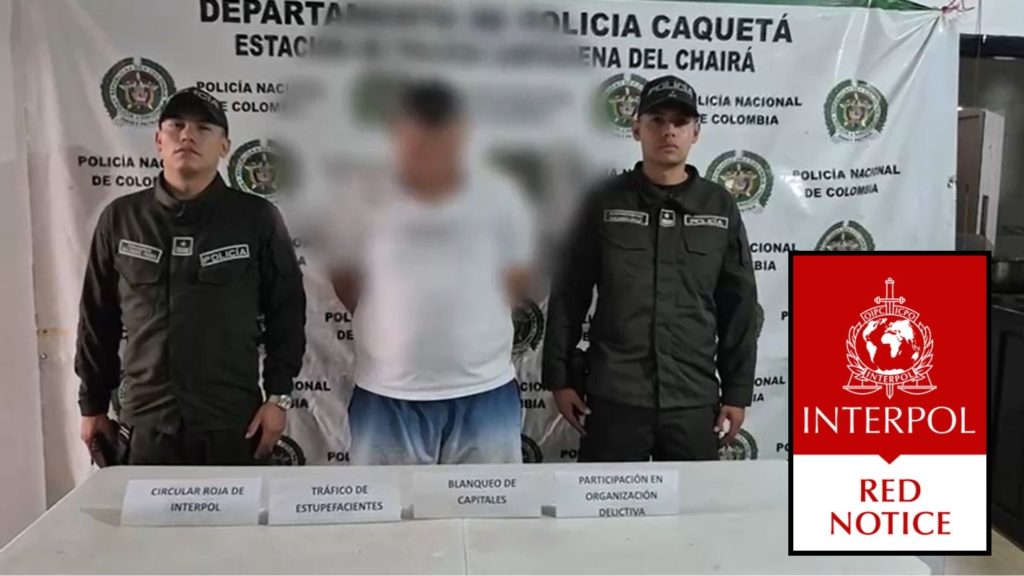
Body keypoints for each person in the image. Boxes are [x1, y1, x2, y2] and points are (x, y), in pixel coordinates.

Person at [75, 87, 307, 465]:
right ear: (158, 140)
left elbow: (287, 312)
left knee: (235, 510)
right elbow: (96, 319)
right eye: (176, 125)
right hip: (147, 424)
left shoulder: (256, 218)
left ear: (224, 146)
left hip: (233, 425)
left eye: (203, 128)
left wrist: (278, 397)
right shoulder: (120, 219)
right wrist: (93, 404)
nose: (187, 136)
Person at [543, 75, 759, 462]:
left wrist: (737, 391)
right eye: (657, 120)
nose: (668, 131)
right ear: (636, 128)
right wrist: (560, 378)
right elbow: (570, 292)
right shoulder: (605, 201)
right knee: (604, 501)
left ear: (696, 132)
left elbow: (739, 306)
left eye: (680, 122)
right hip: (615, 398)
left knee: (695, 502)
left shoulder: (718, 206)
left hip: (693, 400)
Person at [331, 79, 534, 465]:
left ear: (461, 134)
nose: (428, 148)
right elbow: (345, 281)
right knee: (386, 505)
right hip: (387, 394)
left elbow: (517, 279)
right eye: (416, 136)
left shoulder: (500, 196)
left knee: (487, 503)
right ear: (396, 134)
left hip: (483, 390)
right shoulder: (359, 198)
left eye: (439, 135)